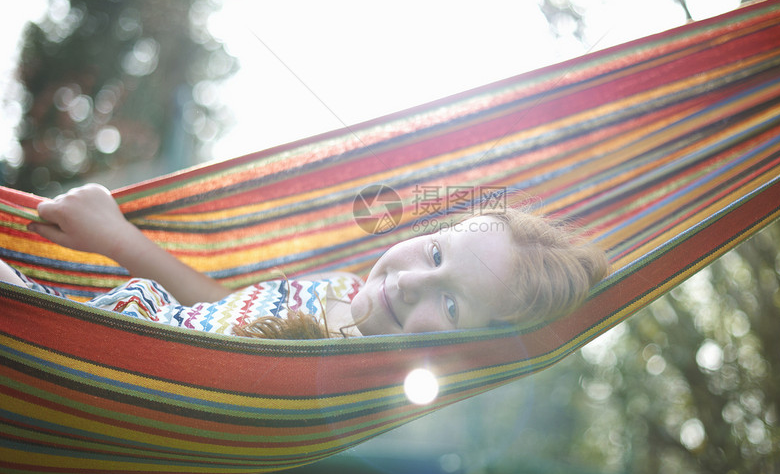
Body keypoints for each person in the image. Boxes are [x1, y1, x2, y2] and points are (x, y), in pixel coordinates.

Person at [0, 184, 608, 338]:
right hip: (83, 322)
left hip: (73, 344)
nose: (412, 281)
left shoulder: (349, 372)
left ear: (472, 347)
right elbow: (216, 309)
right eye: (435, 251)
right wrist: (116, 237)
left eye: (451, 303)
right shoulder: (341, 285)